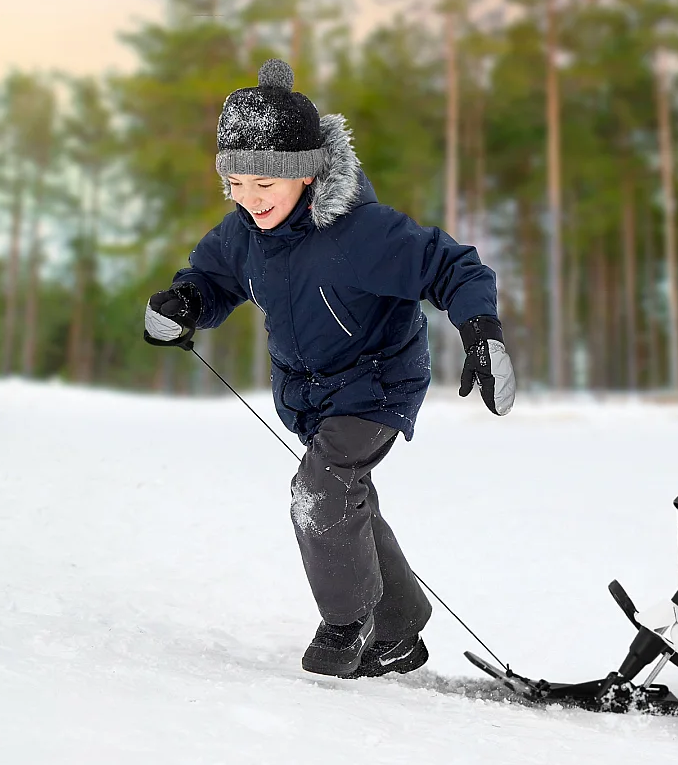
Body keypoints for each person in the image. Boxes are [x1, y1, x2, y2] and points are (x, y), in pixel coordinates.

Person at [143, 58, 516, 678]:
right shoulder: (244, 234)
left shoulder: (362, 233)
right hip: (309, 394)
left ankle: (349, 626)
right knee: (347, 496)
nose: (250, 197)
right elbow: (210, 278)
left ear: (308, 174)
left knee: (319, 493)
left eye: (267, 182)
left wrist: (480, 329)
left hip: (376, 385)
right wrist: (184, 304)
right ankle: (397, 629)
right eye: (237, 180)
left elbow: (455, 268)